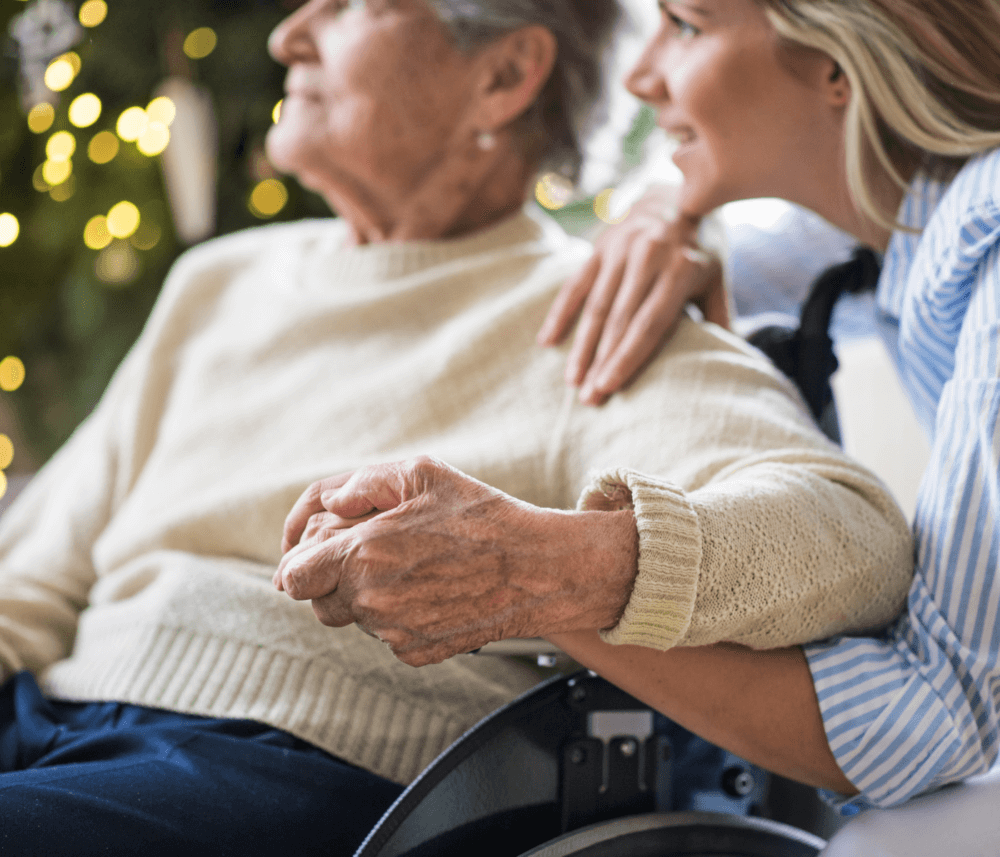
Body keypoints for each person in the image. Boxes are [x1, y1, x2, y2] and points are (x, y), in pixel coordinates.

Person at [0, 1, 912, 853]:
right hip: (48, 718)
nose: (291, 35)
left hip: (282, 768)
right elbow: (30, 581)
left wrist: (541, 564)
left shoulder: (593, 314)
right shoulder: (218, 281)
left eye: (354, 4)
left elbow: (853, 537)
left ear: (505, 75)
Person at [534, 0, 1000, 813]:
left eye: (685, 25)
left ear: (837, 64)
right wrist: (676, 220)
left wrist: (539, 583)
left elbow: (939, 712)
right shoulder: (903, 222)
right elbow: (729, 257)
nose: (643, 77)